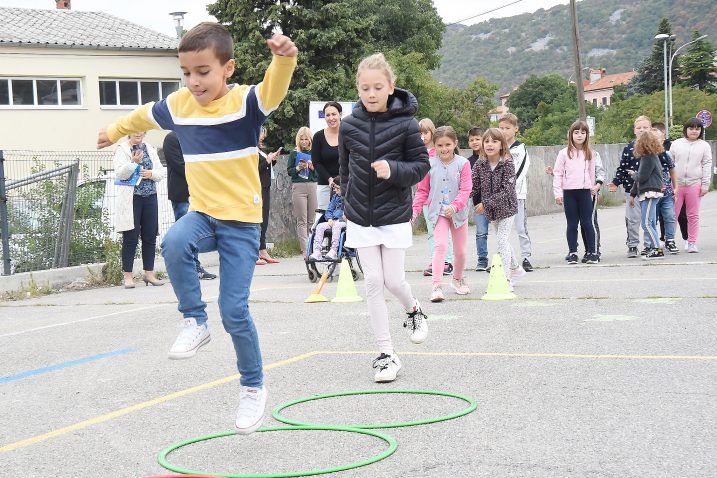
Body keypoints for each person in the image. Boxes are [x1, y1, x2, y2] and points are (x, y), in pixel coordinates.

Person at [97, 23, 297, 434]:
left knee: (235, 310)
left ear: (228, 68)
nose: (193, 81)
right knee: (172, 242)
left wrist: (284, 58)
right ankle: (194, 321)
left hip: (241, 221)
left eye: (202, 71)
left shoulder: (246, 103)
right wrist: (114, 130)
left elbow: (274, 90)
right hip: (204, 213)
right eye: (186, 72)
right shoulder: (179, 104)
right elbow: (143, 115)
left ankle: (253, 387)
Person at [339, 53, 430, 383]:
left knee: (394, 281)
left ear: (391, 87)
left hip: (394, 215)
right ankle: (386, 354)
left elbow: (421, 167)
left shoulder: (406, 125)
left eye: (378, 87)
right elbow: (344, 169)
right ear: (358, 89)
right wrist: (348, 199)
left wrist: (393, 170)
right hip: (360, 216)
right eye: (365, 88)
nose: (371, 93)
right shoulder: (349, 126)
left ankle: (413, 310)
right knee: (373, 283)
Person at [412, 126, 472, 302]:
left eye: (448, 144)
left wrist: (455, 206)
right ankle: (436, 286)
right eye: (440, 145)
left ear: (455, 143)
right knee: (440, 246)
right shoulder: (428, 164)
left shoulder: (463, 164)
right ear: (434, 146)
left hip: (458, 213)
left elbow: (466, 189)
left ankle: (457, 279)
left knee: (460, 252)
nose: (444, 149)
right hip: (437, 212)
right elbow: (422, 191)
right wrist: (414, 212)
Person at [608, 116, 674, 257]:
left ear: (651, 130)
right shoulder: (629, 148)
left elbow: (665, 167)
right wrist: (616, 182)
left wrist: (665, 184)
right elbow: (622, 168)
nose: (642, 130)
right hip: (632, 189)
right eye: (639, 128)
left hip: (650, 189)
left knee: (648, 221)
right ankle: (633, 245)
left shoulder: (656, 149)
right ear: (634, 130)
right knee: (633, 219)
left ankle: (650, 246)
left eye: (645, 127)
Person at [471, 128, 525, 291]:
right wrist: (459, 199)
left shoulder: (507, 163)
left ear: (502, 145)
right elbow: (473, 186)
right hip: (493, 212)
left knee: (501, 240)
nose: (489, 144)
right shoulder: (480, 164)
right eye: (486, 141)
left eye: (494, 141)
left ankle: (507, 278)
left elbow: (507, 190)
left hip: (507, 208)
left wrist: (485, 204)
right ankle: (517, 269)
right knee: (504, 242)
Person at [113, 131, 165, 289]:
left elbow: (161, 172)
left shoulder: (149, 148)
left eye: (141, 130)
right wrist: (133, 163)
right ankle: (128, 276)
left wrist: (151, 173)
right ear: (129, 131)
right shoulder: (122, 150)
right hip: (132, 198)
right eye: (135, 130)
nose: (138, 133)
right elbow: (119, 174)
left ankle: (149, 274)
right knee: (131, 237)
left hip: (150, 196)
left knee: (150, 236)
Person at [163, 131, 217, 279]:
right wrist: (201, 171)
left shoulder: (193, 137)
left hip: (197, 193)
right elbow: (179, 164)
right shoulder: (171, 138)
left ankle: (195, 267)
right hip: (182, 193)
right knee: (185, 235)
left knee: (193, 235)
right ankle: (190, 269)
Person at [552, 120, 599, 264]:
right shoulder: (563, 154)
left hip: (585, 192)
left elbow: (592, 173)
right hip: (569, 193)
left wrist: (593, 191)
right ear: (571, 134)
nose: (579, 135)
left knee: (587, 223)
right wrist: (558, 193)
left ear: (587, 135)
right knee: (572, 224)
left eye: (583, 132)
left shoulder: (589, 153)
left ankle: (592, 252)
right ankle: (572, 252)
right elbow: (558, 173)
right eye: (576, 132)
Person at [670, 117, 713, 252]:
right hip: (676, 185)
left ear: (701, 130)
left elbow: (707, 164)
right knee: (672, 215)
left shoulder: (704, 146)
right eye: (691, 128)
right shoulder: (676, 143)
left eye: (697, 129)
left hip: (694, 184)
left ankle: (691, 242)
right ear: (686, 129)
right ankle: (669, 241)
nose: (694, 131)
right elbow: (669, 164)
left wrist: (705, 185)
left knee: (693, 215)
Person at [418, 118, 453, 277]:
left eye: (425, 132)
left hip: (441, 198)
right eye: (420, 133)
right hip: (425, 198)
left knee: (443, 231)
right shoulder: (418, 153)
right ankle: (436, 260)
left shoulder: (437, 153)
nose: (423, 136)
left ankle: (447, 261)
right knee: (432, 232)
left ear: (432, 133)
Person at [499, 113, 533, 272]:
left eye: (507, 128)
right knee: (501, 232)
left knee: (521, 228)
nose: (504, 131)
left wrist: (509, 187)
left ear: (516, 129)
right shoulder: (497, 148)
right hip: (501, 197)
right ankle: (504, 259)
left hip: (517, 195)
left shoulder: (521, 148)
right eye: (501, 128)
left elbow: (521, 170)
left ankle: (526, 257)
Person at [629, 131, 666, 259]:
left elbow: (641, 177)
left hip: (650, 192)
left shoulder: (647, 158)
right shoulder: (652, 157)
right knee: (650, 222)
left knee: (645, 223)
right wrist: (633, 193)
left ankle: (657, 249)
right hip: (652, 192)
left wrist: (633, 174)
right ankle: (655, 247)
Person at [287, 126, 317, 256]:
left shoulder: (315, 153)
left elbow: (319, 173)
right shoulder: (294, 153)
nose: (304, 142)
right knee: (302, 220)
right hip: (298, 186)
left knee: (311, 220)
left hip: (312, 185)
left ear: (310, 140)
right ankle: (305, 250)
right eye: (302, 139)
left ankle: (312, 247)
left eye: (306, 139)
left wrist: (312, 167)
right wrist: (298, 168)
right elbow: (289, 171)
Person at [650, 125, 679, 254]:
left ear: (663, 140)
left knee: (670, 216)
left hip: (667, 193)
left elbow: (672, 171)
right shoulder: (647, 156)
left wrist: (676, 187)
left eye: (659, 139)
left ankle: (670, 240)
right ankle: (654, 242)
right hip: (652, 194)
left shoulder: (666, 155)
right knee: (652, 219)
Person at [312, 101, 342, 215]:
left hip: (347, 185)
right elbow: (316, 162)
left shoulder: (349, 134)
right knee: (324, 218)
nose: (331, 118)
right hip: (325, 185)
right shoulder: (318, 136)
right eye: (327, 115)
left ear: (340, 114)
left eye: (334, 114)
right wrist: (330, 179)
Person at [257, 127, 281, 265]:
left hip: (265, 186)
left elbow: (264, 166)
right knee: (257, 220)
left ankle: (262, 249)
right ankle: (255, 251)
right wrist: (267, 161)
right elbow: (255, 169)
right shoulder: (250, 151)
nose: (262, 138)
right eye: (260, 135)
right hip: (257, 187)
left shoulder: (259, 150)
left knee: (264, 219)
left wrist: (273, 160)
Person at [467, 127, 489, 271]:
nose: (474, 142)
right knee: (481, 232)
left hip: (495, 202)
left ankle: (504, 259)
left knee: (501, 233)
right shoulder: (467, 162)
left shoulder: (491, 157)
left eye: (477, 139)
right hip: (478, 203)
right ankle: (482, 259)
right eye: (471, 140)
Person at [309, 178, 345, 261]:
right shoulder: (335, 197)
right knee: (320, 226)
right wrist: (329, 219)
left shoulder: (348, 197)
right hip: (333, 221)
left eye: (337, 188)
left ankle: (333, 250)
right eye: (334, 188)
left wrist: (339, 220)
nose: (335, 190)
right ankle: (317, 251)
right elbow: (329, 210)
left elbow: (348, 212)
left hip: (343, 221)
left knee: (337, 226)